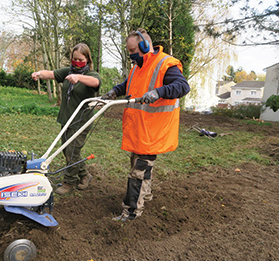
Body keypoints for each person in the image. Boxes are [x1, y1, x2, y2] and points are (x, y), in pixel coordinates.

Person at [102, 28, 190, 222]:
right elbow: (129, 84)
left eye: (134, 50)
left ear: (145, 45)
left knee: (137, 172)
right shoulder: (138, 66)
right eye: (129, 51)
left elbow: (183, 86)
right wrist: (114, 91)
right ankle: (145, 195)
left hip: (153, 130)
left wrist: (158, 93)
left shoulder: (165, 64)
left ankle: (131, 212)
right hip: (138, 129)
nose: (131, 55)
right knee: (138, 166)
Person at [32, 43, 101, 195]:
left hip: (81, 122)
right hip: (66, 119)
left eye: (81, 60)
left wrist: (78, 77)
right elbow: (50, 73)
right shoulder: (67, 72)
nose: (77, 62)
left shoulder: (91, 75)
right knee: (67, 151)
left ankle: (69, 182)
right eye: (74, 59)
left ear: (87, 60)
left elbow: (96, 83)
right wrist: (38, 74)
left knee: (72, 152)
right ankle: (84, 175)